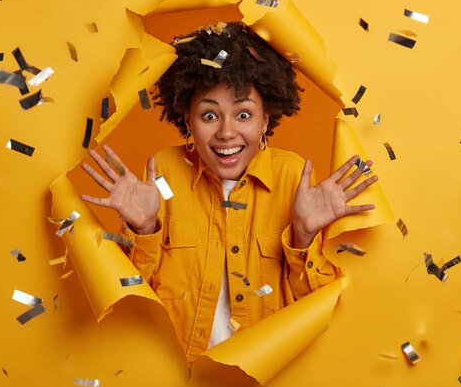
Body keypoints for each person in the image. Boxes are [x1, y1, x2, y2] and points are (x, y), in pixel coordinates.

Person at [80, 22, 378, 367]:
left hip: (264, 373)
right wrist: (145, 230)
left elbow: (317, 315)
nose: (226, 132)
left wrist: (304, 236)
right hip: (177, 372)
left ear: (266, 119)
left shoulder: (293, 177)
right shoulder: (162, 173)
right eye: (209, 115)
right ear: (188, 120)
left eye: (243, 114)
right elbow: (133, 303)